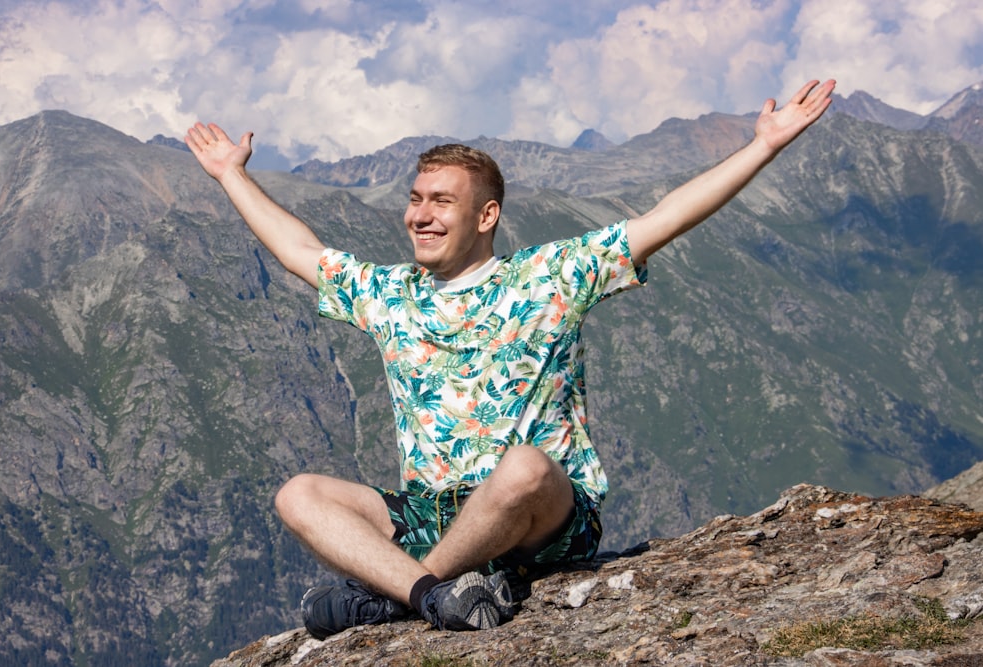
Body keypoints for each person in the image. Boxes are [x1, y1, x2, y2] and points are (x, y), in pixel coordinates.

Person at [185, 78, 836, 637]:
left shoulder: (551, 276)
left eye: (442, 202)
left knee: (524, 467)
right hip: (430, 510)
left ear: (486, 214)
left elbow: (666, 216)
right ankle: (432, 595)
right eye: (415, 199)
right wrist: (231, 175)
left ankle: (395, 594)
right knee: (300, 495)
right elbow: (300, 251)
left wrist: (764, 145)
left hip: (542, 517)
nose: (420, 214)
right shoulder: (387, 294)